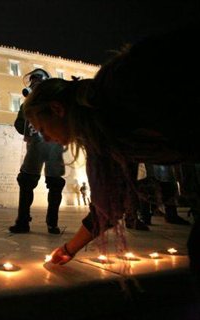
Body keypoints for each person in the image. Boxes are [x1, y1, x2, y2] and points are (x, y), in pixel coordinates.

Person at [21, 25, 200, 272]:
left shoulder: (118, 86)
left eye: (42, 128)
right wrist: (67, 250)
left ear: (57, 109)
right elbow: (107, 207)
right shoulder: (100, 135)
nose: (46, 139)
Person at [9, 68, 66, 235]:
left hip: (46, 146)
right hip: (42, 146)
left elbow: (20, 126)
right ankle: (33, 222)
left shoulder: (45, 103)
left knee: (50, 184)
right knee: (30, 182)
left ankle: (40, 223)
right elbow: (20, 125)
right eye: (34, 80)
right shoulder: (31, 104)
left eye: (37, 80)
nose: (34, 84)